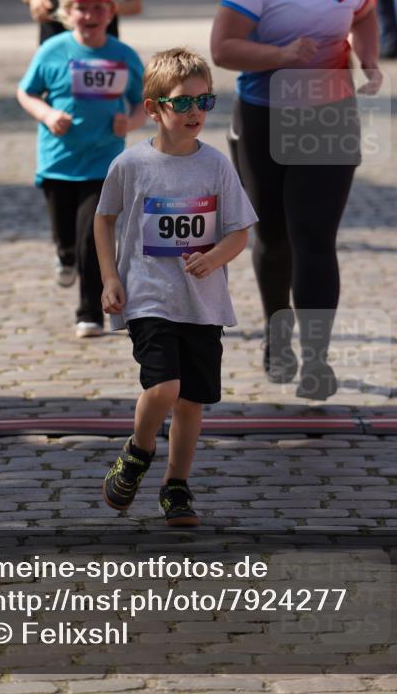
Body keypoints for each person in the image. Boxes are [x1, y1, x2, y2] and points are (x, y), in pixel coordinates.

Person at [210, 0, 383, 402]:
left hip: (329, 112)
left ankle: (317, 359)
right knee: (276, 236)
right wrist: (280, 55)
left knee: (315, 237)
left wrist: (368, 59)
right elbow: (223, 49)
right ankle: (277, 332)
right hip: (264, 113)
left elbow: (367, 14)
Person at [94, 48, 257, 526]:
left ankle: (176, 485)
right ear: (153, 108)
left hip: (202, 303)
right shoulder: (130, 165)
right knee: (164, 386)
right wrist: (109, 277)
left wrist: (214, 258)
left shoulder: (216, 165)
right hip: (148, 295)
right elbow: (104, 220)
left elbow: (240, 230)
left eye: (205, 101)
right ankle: (137, 453)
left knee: (191, 401)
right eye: (183, 102)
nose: (196, 113)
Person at [17, 0, 145, 338]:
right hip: (58, 162)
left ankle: (89, 311)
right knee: (67, 237)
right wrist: (48, 114)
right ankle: (64, 255)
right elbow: (26, 93)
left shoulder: (123, 56)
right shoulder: (52, 51)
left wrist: (130, 122)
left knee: (94, 234)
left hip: (103, 161)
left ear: (111, 12)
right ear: (68, 12)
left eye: (98, 9)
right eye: (81, 9)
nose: (89, 16)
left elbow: (142, 102)